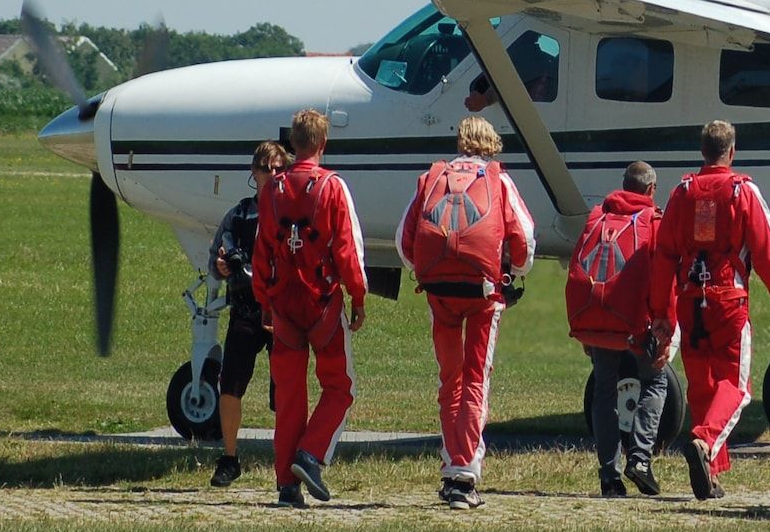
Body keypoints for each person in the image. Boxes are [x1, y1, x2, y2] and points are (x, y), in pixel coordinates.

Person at [647, 119, 770, 501]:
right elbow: (767, 248)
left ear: (702, 151)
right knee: (737, 388)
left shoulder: (681, 192)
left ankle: (710, 473)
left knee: (703, 388)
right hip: (728, 300)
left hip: (688, 299)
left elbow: (663, 254)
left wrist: (662, 311)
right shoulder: (742, 190)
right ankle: (706, 442)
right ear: (731, 151)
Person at [397, 115, 536, 509]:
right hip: (484, 293)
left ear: (460, 142)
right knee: (476, 378)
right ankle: (464, 472)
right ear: (491, 143)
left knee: (449, 379)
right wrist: (514, 271)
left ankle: (452, 463)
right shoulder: (497, 179)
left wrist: (425, 271)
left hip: (439, 293)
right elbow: (523, 237)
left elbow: (404, 241)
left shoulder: (433, 176)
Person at [252, 108, 367, 508]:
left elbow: (262, 249)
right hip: (322, 302)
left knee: (289, 397)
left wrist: (264, 301)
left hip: (283, 304)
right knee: (339, 387)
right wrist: (358, 296)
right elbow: (347, 249)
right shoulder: (333, 187)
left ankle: (287, 484)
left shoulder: (271, 191)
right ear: (322, 144)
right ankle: (311, 454)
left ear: (293, 143)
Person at [566, 161, 670, 498]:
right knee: (655, 382)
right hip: (636, 324)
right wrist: (664, 324)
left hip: (598, 319)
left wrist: (585, 327)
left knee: (604, 392)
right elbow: (663, 279)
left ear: (623, 185)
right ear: (651, 190)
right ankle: (639, 458)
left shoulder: (597, 217)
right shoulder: (654, 222)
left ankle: (609, 476)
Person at [206, 140, 290, 488]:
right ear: (252, 173)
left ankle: (286, 459)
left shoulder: (293, 212)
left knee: (284, 390)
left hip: (283, 309)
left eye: (278, 169)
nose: (271, 175)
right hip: (245, 307)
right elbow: (214, 259)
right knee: (231, 384)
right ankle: (229, 457)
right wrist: (223, 266)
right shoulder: (239, 215)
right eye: (264, 169)